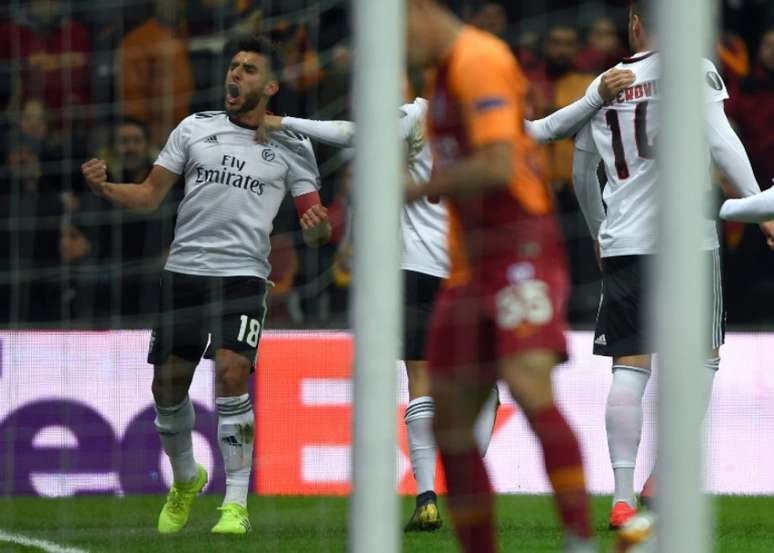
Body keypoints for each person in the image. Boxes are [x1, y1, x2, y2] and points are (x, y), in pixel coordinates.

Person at [81, 34, 331, 535]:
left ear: (272, 86)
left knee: (233, 375)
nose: (235, 75)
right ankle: (186, 478)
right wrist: (105, 187)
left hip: (243, 276)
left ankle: (235, 504)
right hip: (184, 274)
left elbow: (316, 224)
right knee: (167, 388)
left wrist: (318, 226)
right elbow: (151, 195)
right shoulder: (194, 128)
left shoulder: (293, 144)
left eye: (249, 69)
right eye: (233, 66)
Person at [569, 0, 774, 529]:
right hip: (688, 244)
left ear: (634, 24)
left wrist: (597, 231)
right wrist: (761, 212)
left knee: (628, 367)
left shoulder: (603, 85)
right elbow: (723, 144)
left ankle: (620, 498)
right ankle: (663, 474)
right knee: (700, 359)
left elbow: (580, 172)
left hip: (624, 242)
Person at [405, 1, 596, 551]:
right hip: (468, 265)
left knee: (530, 385)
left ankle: (579, 539)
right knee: (449, 422)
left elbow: (497, 164)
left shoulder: (479, 57)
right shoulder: (438, 79)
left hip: (522, 246)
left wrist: (408, 188)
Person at [262, 97, 501, 532]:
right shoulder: (489, 112)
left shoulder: (412, 117)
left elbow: (353, 132)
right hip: (470, 271)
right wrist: (595, 98)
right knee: (482, 381)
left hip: (412, 270)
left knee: (421, 380)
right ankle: (463, 483)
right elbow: (544, 130)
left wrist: (282, 120)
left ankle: (426, 495)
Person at [118, 0, 195, 147]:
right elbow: (133, 100)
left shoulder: (185, 33)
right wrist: (148, 137)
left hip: (186, 133)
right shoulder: (137, 41)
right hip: (156, 139)